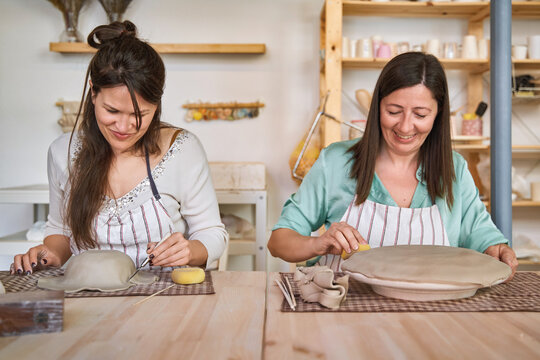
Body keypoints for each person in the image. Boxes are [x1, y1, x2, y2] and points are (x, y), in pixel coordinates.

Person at [268, 52, 518, 280]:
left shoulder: (454, 169)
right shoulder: (335, 162)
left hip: (432, 316)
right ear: (377, 106)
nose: (405, 126)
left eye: (420, 114)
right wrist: (318, 243)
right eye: (394, 111)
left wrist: (497, 249)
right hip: (344, 316)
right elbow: (279, 241)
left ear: (438, 115)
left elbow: (481, 233)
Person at [11, 21, 227, 275]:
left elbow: (212, 233)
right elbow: (60, 231)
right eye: (112, 111)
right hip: (86, 294)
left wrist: (190, 250)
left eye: (139, 114)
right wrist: (49, 254)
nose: (124, 127)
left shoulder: (182, 149)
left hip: (163, 298)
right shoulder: (63, 152)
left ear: (157, 105)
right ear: (93, 93)